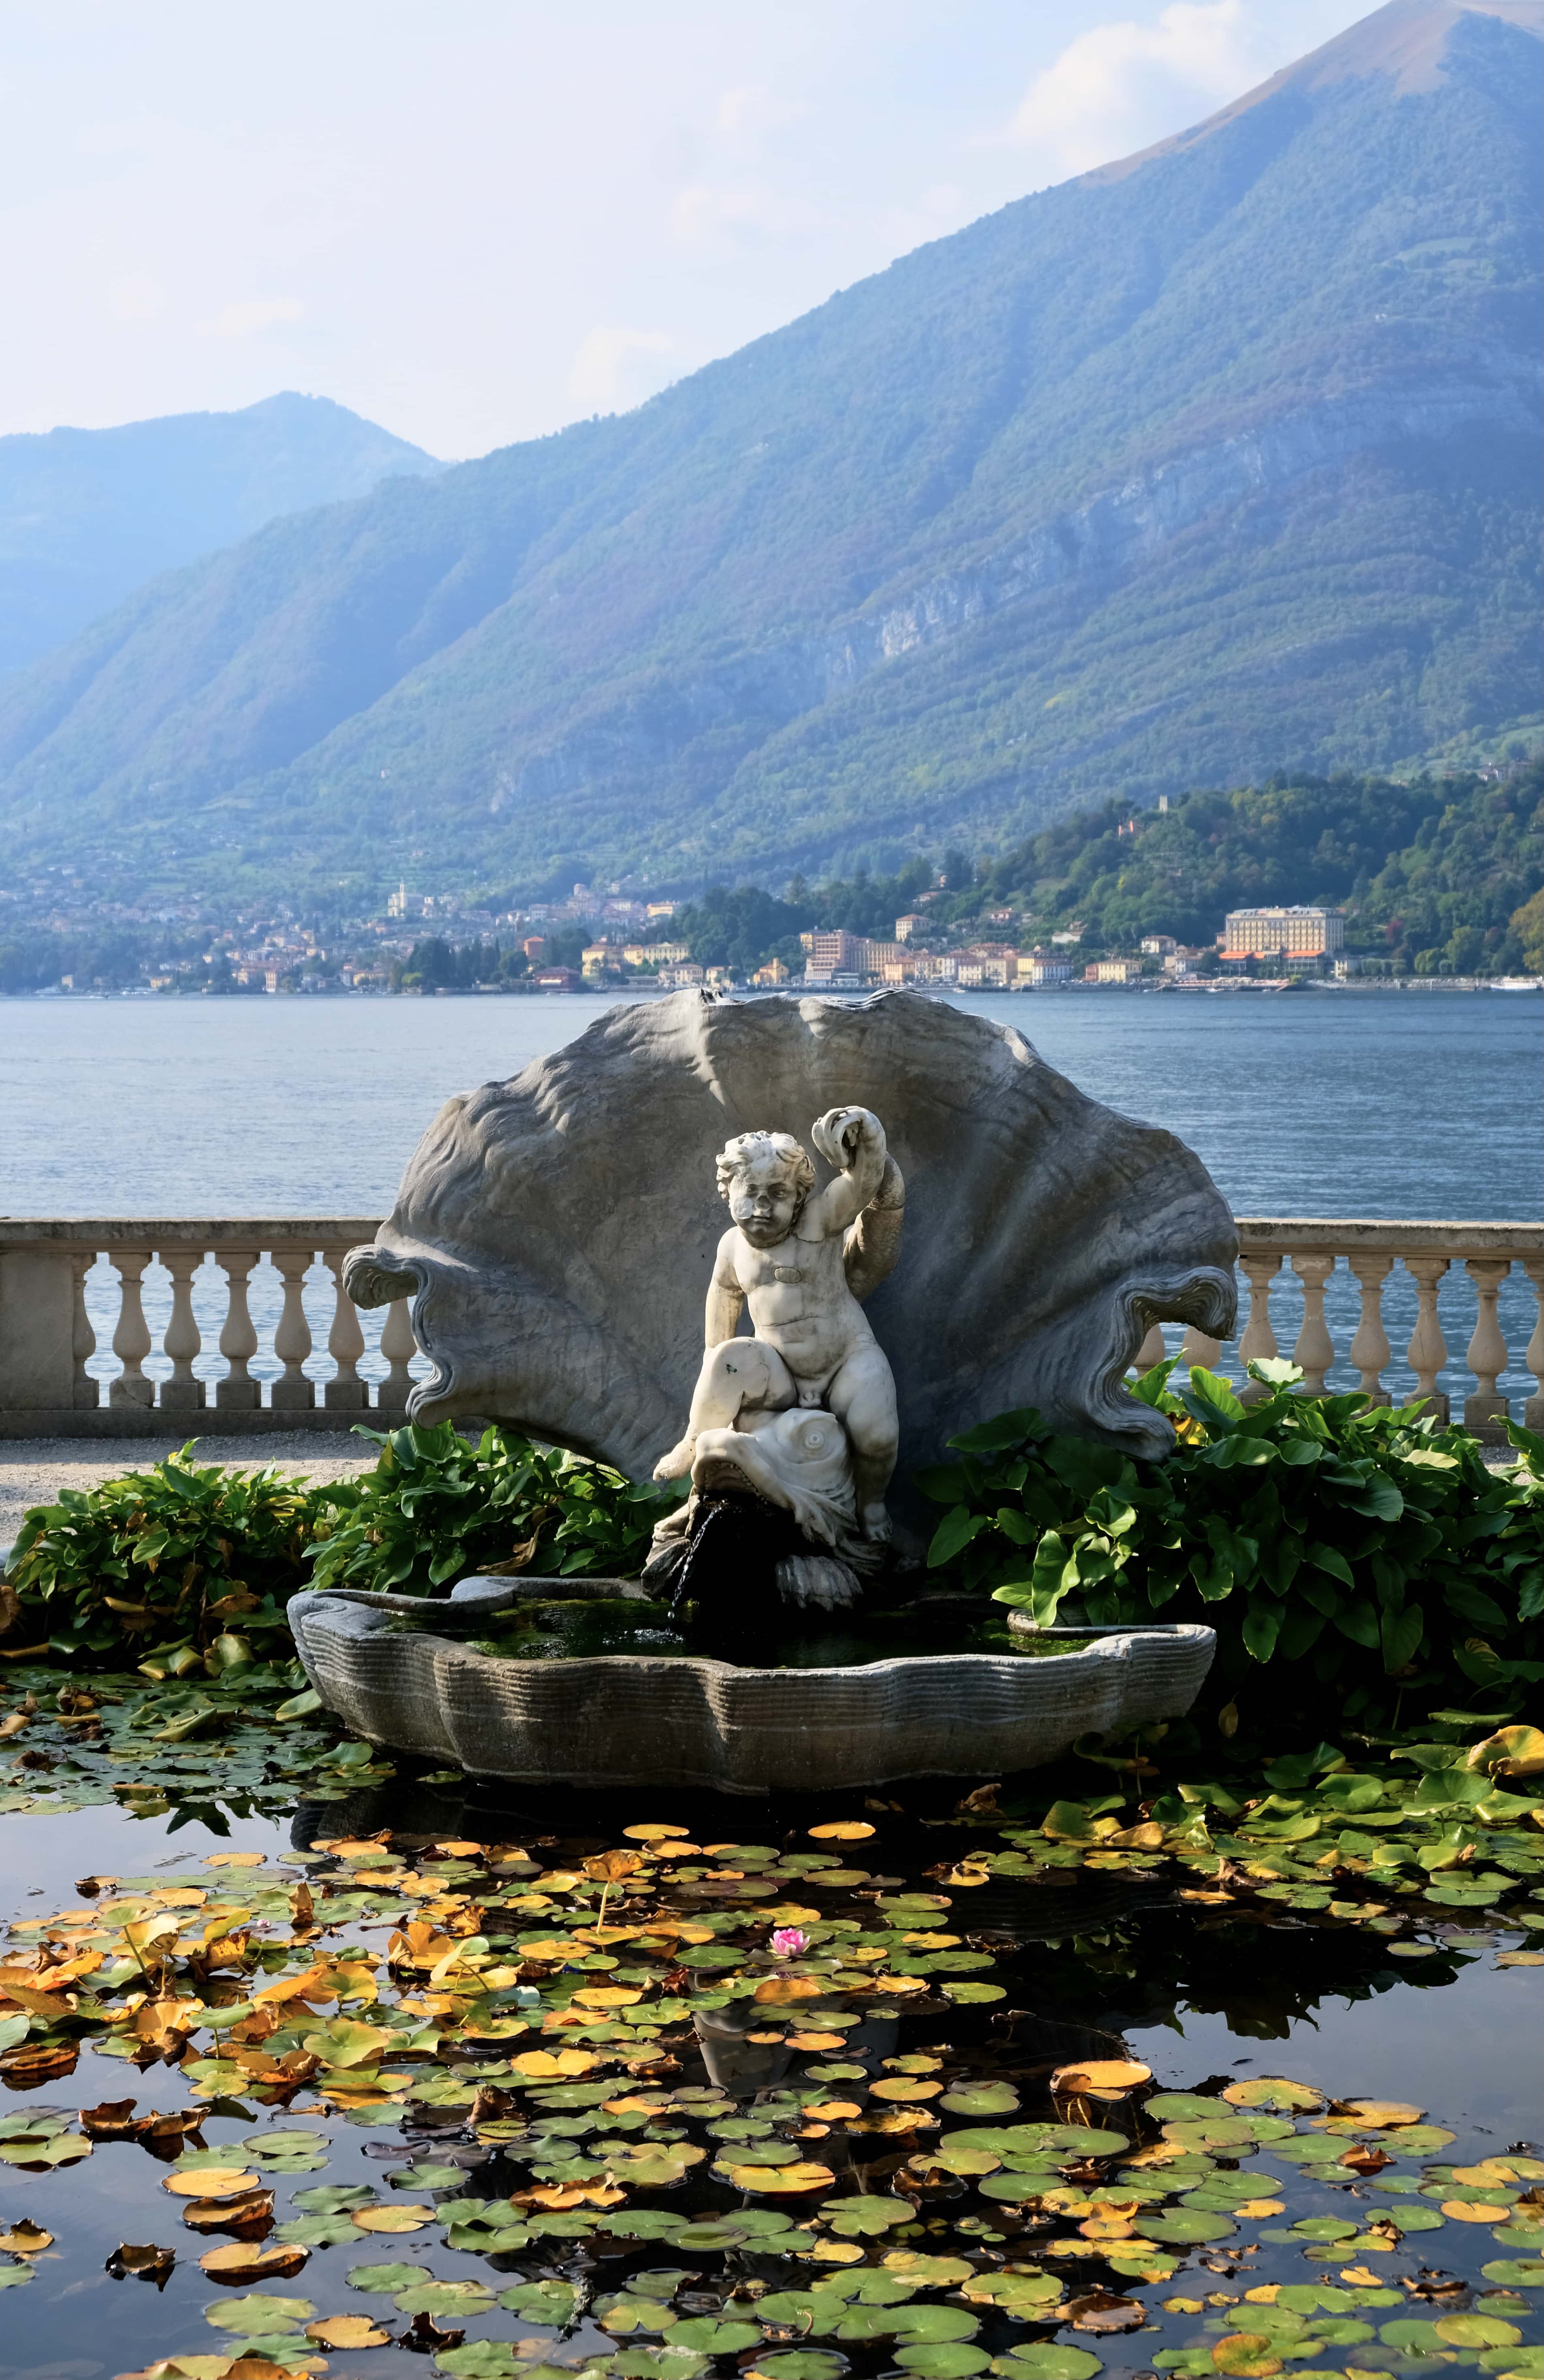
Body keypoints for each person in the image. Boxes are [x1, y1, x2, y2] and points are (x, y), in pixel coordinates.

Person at [653, 1106, 901, 1542]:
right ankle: (695, 1443)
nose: (762, 1208)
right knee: (727, 1362)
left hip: (845, 1356)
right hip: (780, 1370)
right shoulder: (732, 1246)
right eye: (750, 1193)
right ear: (727, 1191)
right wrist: (717, 1360)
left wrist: (866, 1131)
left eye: (778, 1195)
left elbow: (862, 1185)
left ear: (800, 1196)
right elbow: (725, 1293)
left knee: (877, 1435)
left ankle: (872, 1502)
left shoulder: (818, 1222)